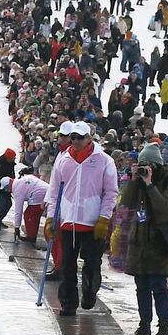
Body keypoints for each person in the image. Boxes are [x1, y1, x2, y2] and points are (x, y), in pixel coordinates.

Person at [45, 121, 118, 316]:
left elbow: (111, 192)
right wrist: (52, 218)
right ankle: (68, 303)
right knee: (67, 265)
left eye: (79, 137)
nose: (75, 141)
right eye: (73, 137)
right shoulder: (63, 160)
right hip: (69, 221)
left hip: (93, 222)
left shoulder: (104, 160)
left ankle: (89, 292)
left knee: (92, 264)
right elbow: (54, 193)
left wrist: (104, 218)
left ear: (88, 138)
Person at [120, 143, 168, 335]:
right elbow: (126, 202)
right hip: (140, 239)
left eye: (148, 164)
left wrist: (151, 184)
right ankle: (144, 324)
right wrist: (136, 179)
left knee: (158, 286)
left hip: (159, 240)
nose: (145, 168)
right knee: (141, 285)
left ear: (156, 164)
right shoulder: (140, 180)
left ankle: (164, 329)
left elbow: (163, 207)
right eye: (142, 164)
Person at [10, 167, 49, 243]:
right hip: (46, 190)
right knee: (35, 215)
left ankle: (31, 237)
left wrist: (17, 228)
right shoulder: (22, 180)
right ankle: (32, 235)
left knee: (29, 214)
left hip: (40, 194)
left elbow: (18, 211)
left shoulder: (18, 190)